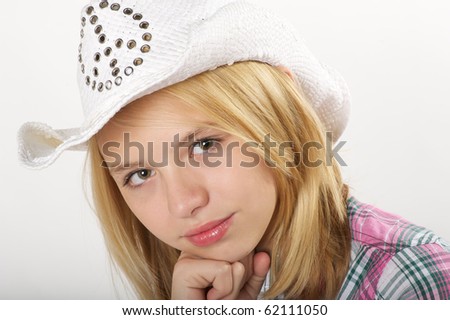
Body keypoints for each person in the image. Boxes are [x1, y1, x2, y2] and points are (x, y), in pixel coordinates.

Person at [17, 0, 450, 300]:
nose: (184, 202)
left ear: (283, 122)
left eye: (204, 145)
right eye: (140, 174)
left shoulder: (409, 282)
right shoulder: (198, 287)